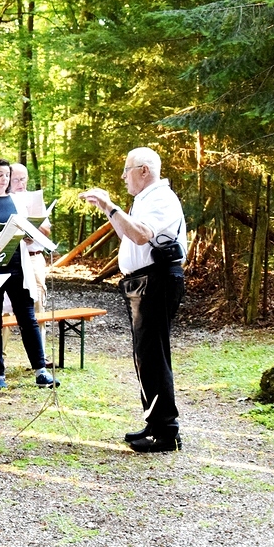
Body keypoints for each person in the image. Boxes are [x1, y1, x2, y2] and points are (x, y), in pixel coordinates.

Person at [80, 147, 186, 453]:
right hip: (143, 282)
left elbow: (141, 235)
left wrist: (110, 205)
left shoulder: (161, 198)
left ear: (144, 170)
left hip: (157, 280)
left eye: (127, 170)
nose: (123, 176)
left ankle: (166, 431)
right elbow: (128, 234)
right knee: (145, 355)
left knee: (152, 355)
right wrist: (108, 209)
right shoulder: (145, 199)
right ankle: (155, 423)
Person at [0, 159, 57, 390]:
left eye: (7, 175)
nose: (4, 180)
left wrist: (28, 235)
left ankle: (40, 370)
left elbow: (30, 232)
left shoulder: (15, 200)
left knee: (28, 317)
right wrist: (4, 234)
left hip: (17, 265)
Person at [8, 162, 52, 360]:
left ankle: (40, 355)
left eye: (23, 179)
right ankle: (0, 355)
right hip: (12, 256)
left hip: (34, 257)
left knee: (37, 302)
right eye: (16, 179)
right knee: (5, 307)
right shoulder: (4, 200)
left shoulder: (34, 201)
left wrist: (31, 227)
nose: (20, 183)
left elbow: (46, 231)